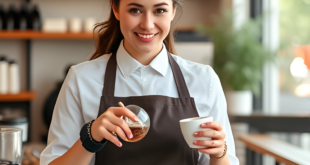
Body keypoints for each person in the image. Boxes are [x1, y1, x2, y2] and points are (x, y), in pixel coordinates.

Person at [40, 0, 239, 164]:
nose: (148, 24)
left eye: (160, 10)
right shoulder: (81, 78)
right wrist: (91, 137)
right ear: (115, 9)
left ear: (172, 12)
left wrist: (219, 154)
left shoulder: (204, 79)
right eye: (135, 10)